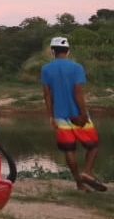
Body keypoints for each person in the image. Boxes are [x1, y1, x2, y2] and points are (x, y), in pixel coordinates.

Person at [40, 36, 105, 192]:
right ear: (68, 51)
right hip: (77, 114)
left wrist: (51, 116)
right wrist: (83, 113)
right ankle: (87, 172)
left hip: (59, 115)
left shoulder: (46, 69)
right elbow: (77, 92)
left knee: (69, 149)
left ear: (53, 51)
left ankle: (80, 184)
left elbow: (47, 95)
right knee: (93, 145)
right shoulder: (76, 67)